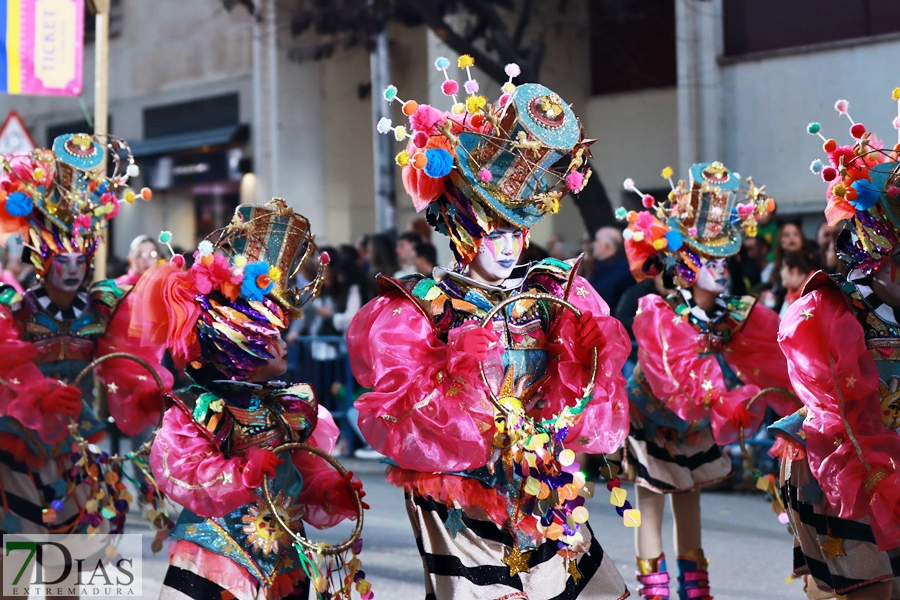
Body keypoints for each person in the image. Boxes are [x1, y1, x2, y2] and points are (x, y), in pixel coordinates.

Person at [352, 65, 632, 598]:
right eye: (494, 232)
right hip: (458, 486)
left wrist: (580, 361)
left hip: (536, 480)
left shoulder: (549, 292)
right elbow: (397, 408)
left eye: (517, 233)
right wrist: (447, 360)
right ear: (461, 225)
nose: (508, 248)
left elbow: (584, 398)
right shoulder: (421, 307)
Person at [140, 198, 368, 600]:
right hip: (217, 555)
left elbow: (302, 473)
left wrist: (331, 488)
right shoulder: (199, 410)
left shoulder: (292, 406)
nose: (284, 344)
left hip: (284, 559)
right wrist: (242, 473)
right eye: (272, 336)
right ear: (241, 347)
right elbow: (183, 472)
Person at [619, 162, 797, 599]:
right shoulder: (661, 313)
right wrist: (721, 398)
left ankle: (696, 591)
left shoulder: (733, 313)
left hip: (696, 421)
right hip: (654, 415)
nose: (719, 269)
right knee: (652, 498)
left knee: (690, 496)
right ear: (685, 264)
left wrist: (799, 400)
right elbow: (668, 372)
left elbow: (775, 353)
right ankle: (654, 592)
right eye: (707, 259)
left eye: (723, 260)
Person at [0, 134, 173, 546]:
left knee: (75, 557)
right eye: (63, 260)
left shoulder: (102, 306)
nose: (74, 270)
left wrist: (148, 392)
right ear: (43, 259)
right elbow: (7, 360)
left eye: (82, 260)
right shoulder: (13, 306)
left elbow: (121, 361)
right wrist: (38, 394)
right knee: (19, 562)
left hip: (75, 440)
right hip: (17, 438)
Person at [771, 94, 900, 599]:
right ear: (878, 256)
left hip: (888, 465)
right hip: (836, 463)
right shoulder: (832, 309)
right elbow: (837, 416)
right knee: (868, 592)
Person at [588, 226, 634, 310]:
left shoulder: (621, 269)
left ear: (607, 246)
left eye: (596, 240)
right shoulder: (602, 265)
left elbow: (601, 294)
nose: (593, 244)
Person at [778, 251, 818, 319]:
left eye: (783, 268)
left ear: (794, 271)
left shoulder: (816, 291)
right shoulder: (790, 296)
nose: (780, 273)